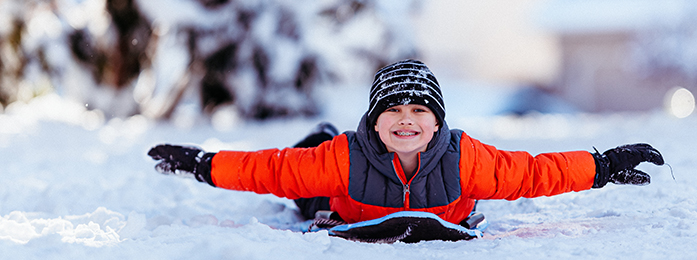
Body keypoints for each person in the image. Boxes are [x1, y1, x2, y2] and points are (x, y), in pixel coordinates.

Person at [148, 59, 664, 229]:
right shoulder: (344, 157)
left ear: (437, 123)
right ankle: (319, 132)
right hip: (340, 197)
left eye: (419, 111)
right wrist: (202, 163)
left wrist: (600, 167)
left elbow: (531, 173)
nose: (406, 119)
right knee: (302, 177)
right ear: (374, 122)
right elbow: (269, 170)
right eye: (392, 110)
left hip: (439, 207)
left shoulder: (465, 160)